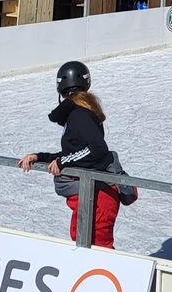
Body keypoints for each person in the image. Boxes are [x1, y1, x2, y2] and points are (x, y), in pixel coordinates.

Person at [18, 60, 128, 247]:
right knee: (84, 242)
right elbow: (76, 153)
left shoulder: (79, 114)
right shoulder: (80, 113)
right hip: (92, 194)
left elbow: (97, 148)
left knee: (98, 248)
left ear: (60, 89)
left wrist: (63, 162)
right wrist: (40, 157)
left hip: (99, 194)